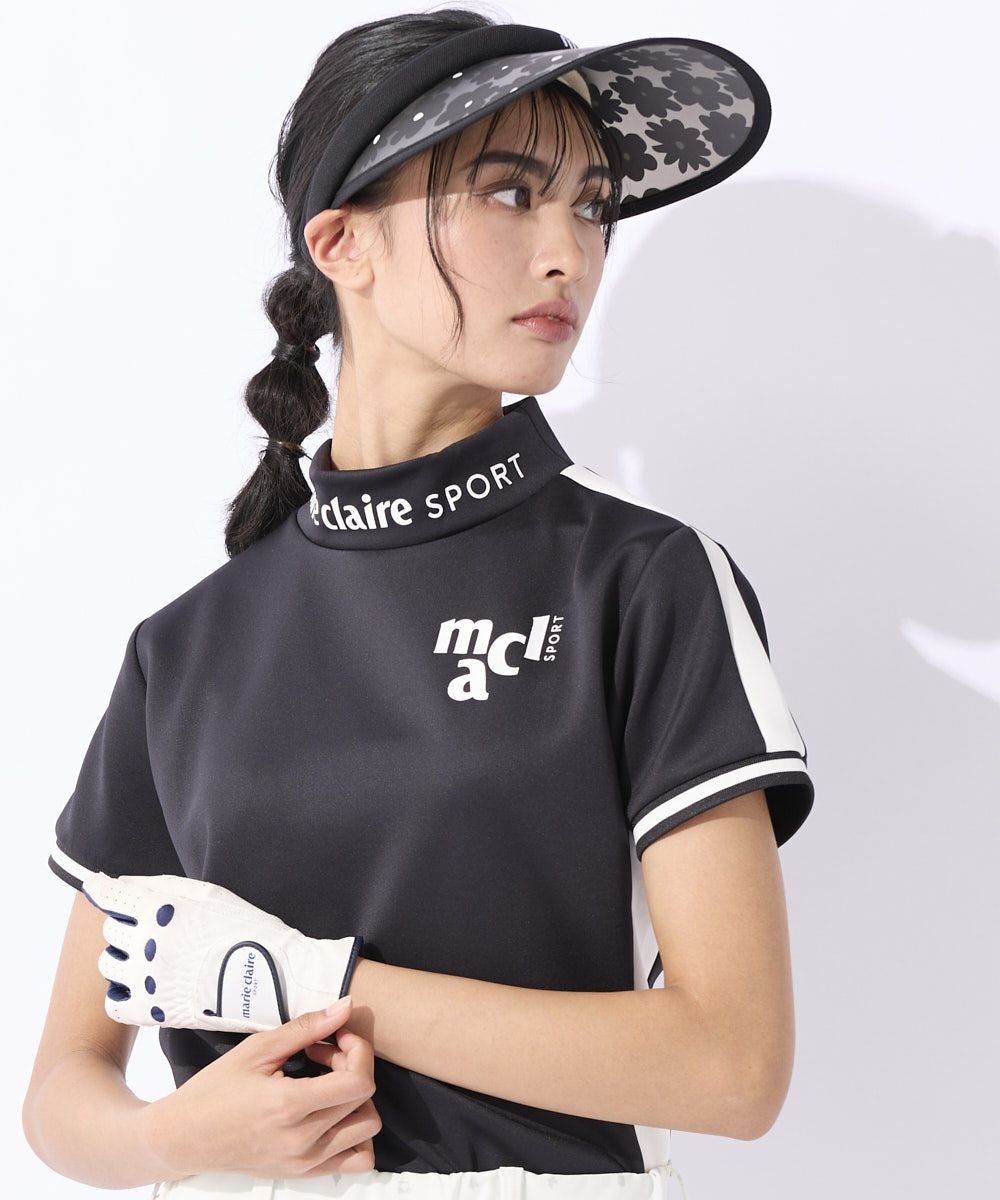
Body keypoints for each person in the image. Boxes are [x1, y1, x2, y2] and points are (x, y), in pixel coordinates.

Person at [23, 10, 815, 1200]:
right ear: (342, 242)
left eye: (591, 207)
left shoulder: (640, 579)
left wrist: (309, 981)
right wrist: (173, 1139)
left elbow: (732, 1067)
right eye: (510, 194)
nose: (569, 253)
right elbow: (62, 1090)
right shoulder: (185, 645)